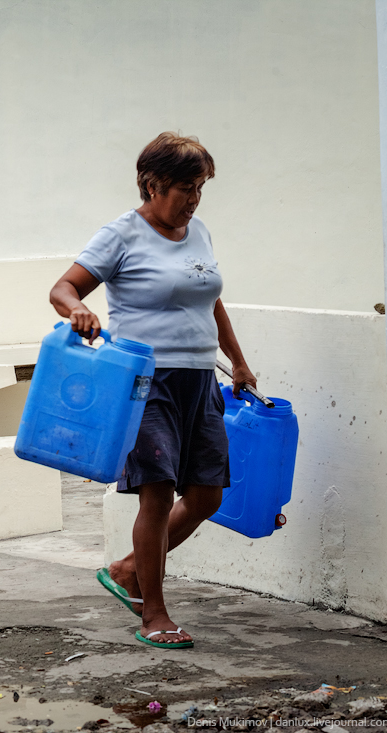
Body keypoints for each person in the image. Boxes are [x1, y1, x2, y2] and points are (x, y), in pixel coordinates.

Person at [48, 132, 256, 650]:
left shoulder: (199, 231)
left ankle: (126, 570)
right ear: (152, 183)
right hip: (145, 381)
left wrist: (238, 361)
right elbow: (63, 287)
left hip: (199, 378)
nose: (194, 199)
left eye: (201, 187)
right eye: (186, 187)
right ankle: (154, 615)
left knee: (207, 493)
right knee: (158, 494)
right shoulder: (121, 235)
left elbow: (211, 301)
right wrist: (76, 309)